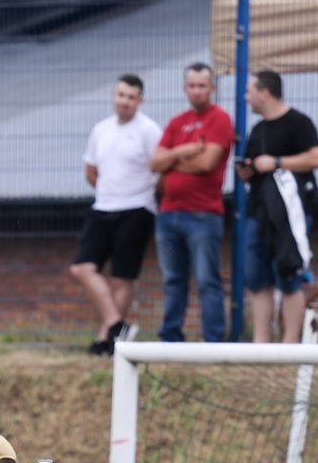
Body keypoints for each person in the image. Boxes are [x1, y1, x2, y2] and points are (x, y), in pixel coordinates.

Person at [70, 73, 162, 355]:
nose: (125, 101)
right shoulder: (101, 129)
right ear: (113, 96)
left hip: (136, 209)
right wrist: (110, 190)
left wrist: (135, 194)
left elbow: (160, 170)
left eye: (131, 97)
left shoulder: (148, 130)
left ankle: (106, 341)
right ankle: (116, 325)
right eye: (121, 95)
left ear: (140, 101)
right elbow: (91, 170)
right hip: (103, 208)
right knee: (83, 268)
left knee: (122, 278)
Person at [237, 70, 318, 344]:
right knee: (257, 279)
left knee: (289, 276)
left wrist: (276, 162)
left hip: (290, 215)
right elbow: (254, 166)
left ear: (265, 92)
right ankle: (260, 344)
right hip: (258, 213)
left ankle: (289, 343)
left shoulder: (299, 122)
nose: (245, 97)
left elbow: (315, 157)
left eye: (249, 90)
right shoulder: (258, 130)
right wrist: (248, 171)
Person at [149, 63, 232, 343]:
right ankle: (170, 337)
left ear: (212, 88)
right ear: (184, 88)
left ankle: (214, 342)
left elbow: (208, 163)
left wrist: (170, 163)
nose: (197, 91)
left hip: (203, 215)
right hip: (169, 213)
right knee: (173, 280)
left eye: (202, 85)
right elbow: (154, 162)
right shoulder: (177, 122)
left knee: (207, 280)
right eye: (192, 85)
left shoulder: (219, 119)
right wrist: (183, 151)